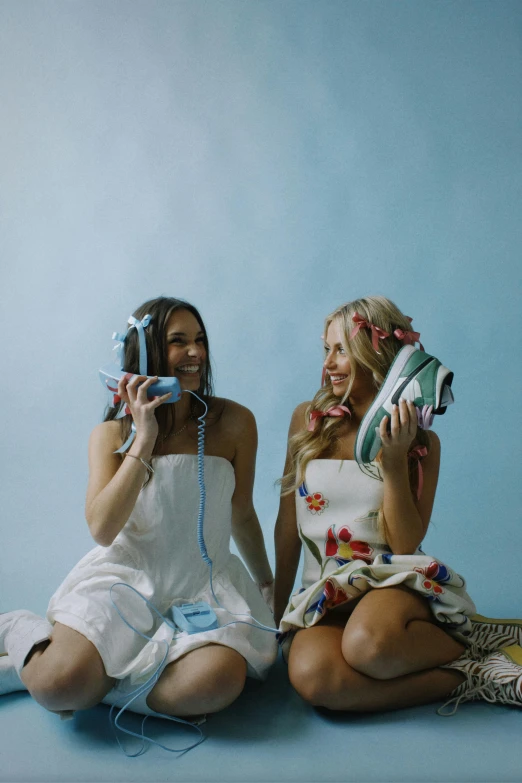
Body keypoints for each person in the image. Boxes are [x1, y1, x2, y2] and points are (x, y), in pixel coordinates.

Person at [0, 296, 277, 723]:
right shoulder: (110, 434)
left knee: (219, 680)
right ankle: (21, 634)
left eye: (199, 340)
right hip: (126, 582)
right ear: (145, 354)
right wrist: (143, 439)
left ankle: (98, 688)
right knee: (58, 687)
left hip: (205, 587)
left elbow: (241, 512)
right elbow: (102, 529)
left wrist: (265, 582)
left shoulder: (236, 422)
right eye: (177, 341)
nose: (195, 353)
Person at [274, 295, 522, 714]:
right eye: (326, 350)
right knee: (316, 680)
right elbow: (286, 527)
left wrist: (393, 461)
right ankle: (469, 675)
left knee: (368, 647)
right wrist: (274, 615)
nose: (329, 363)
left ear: (377, 352)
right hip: (323, 593)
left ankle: (459, 637)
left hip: (390, 583)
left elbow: (405, 542)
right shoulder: (307, 421)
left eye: (342, 350)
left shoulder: (422, 441)